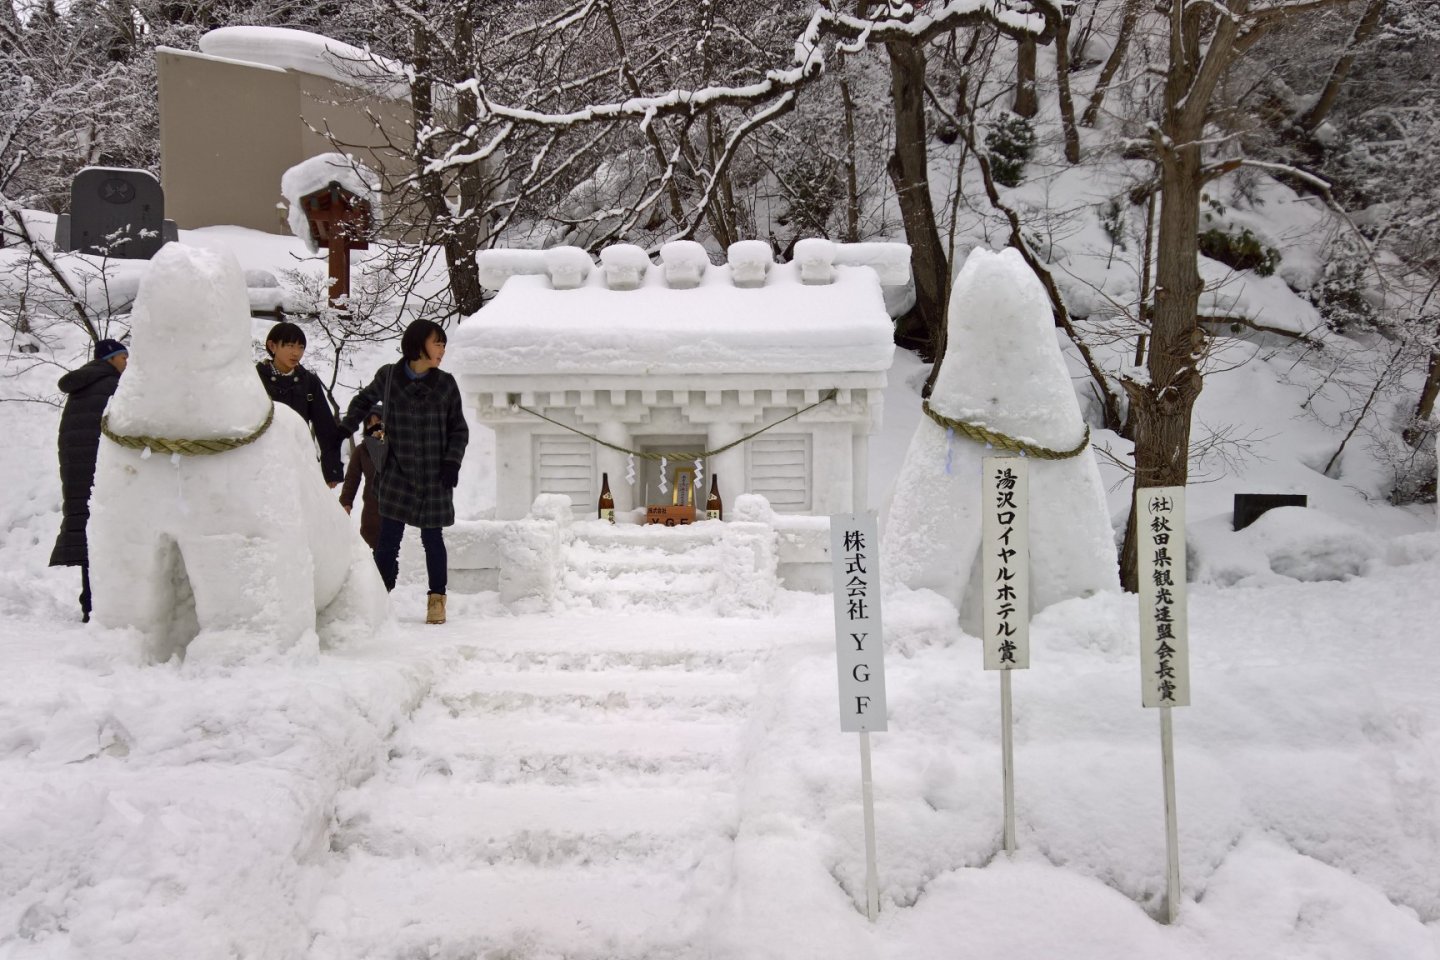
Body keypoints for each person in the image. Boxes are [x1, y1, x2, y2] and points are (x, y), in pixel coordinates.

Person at [341, 319, 468, 624]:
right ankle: (379, 598)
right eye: (437, 342)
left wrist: (452, 462)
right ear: (418, 344)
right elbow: (363, 401)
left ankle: (437, 599)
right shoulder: (389, 377)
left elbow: (458, 429)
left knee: (432, 539)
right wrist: (342, 430)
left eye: (443, 343)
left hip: (434, 474)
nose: (442, 349)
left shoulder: (446, 384)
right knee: (387, 541)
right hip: (397, 472)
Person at [49, 338, 127, 621]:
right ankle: (101, 606)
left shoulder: (81, 387)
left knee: (89, 534)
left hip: (78, 472)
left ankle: (90, 603)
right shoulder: (110, 386)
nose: (126, 364)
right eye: (123, 359)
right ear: (111, 360)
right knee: (109, 536)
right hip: (101, 472)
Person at [256, 321, 344, 486]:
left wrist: (332, 470)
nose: (296, 353)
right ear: (272, 346)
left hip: (299, 458)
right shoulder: (255, 379)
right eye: (289, 346)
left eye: (301, 347)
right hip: (262, 460)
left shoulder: (308, 382)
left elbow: (325, 426)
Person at [339, 412, 384, 550]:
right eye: (370, 423)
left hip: (394, 507)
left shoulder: (397, 447)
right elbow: (352, 477)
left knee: (390, 552)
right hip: (372, 509)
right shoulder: (362, 450)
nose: (375, 426)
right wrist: (346, 501)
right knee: (370, 546)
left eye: (379, 422)